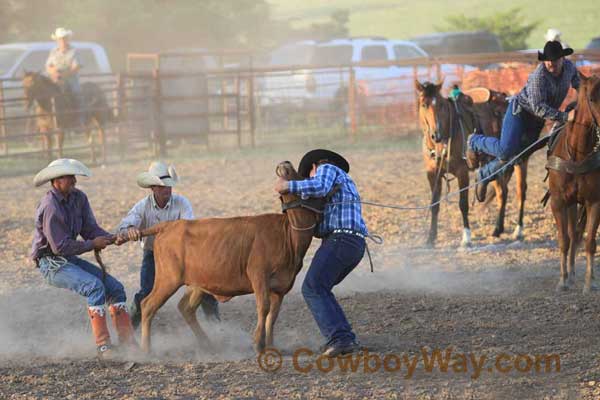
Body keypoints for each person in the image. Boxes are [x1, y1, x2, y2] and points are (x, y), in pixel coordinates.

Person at [31, 158, 135, 358]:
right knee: (94, 286)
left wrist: (110, 238)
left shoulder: (79, 198)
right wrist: (92, 244)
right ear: (56, 181)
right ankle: (103, 347)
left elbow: (89, 229)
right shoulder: (50, 206)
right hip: (51, 263)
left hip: (67, 258)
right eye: (68, 176)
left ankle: (128, 344)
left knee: (116, 289)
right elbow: (60, 246)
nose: (73, 180)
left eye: (73, 176)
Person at [274, 149, 367, 357]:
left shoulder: (327, 168)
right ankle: (343, 337)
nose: (310, 178)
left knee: (313, 287)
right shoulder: (341, 185)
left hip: (341, 239)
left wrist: (287, 185)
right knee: (320, 288)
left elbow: (318, 185)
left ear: (314, 167)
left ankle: (341, 339)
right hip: (354, 244)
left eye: (309, 174)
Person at [466, 41, 579, 202]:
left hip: (536, 121)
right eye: (547, 59)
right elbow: (539, 108)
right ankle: (475, 141)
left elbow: (579, 85)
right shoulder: (539, 76)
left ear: (562, 59)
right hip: (520, 112)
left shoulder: (570, 68)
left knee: (517, 157)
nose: (550, 63)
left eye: (554, 59)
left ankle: (483, 174)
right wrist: (564, 117)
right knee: (505, 151)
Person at [115, 161, 220, 329]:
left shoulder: (182, 202)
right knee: (146, 292)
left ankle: (216, 326)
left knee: (205, 285)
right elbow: (124, 225)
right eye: (163, 186)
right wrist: (130, 229)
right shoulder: (142, 207)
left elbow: (190, 228)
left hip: (183, 255)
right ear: (153, 188)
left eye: (169, 186)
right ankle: (129, 331)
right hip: (152, 253)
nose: (167, 189)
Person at [45, 27, 85, 127]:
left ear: (68, 38)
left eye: (64, 38)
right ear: (57, 40)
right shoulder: (53, 51)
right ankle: (44, 119)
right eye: (60, 38)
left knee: (77, 94)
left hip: (71, 80)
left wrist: (64, 75)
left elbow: (76, 67)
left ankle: (80, 119)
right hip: (55, 80)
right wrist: (53, 72)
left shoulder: (74, 51)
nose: (62, 40)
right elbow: (48, 66)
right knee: (44, 94)